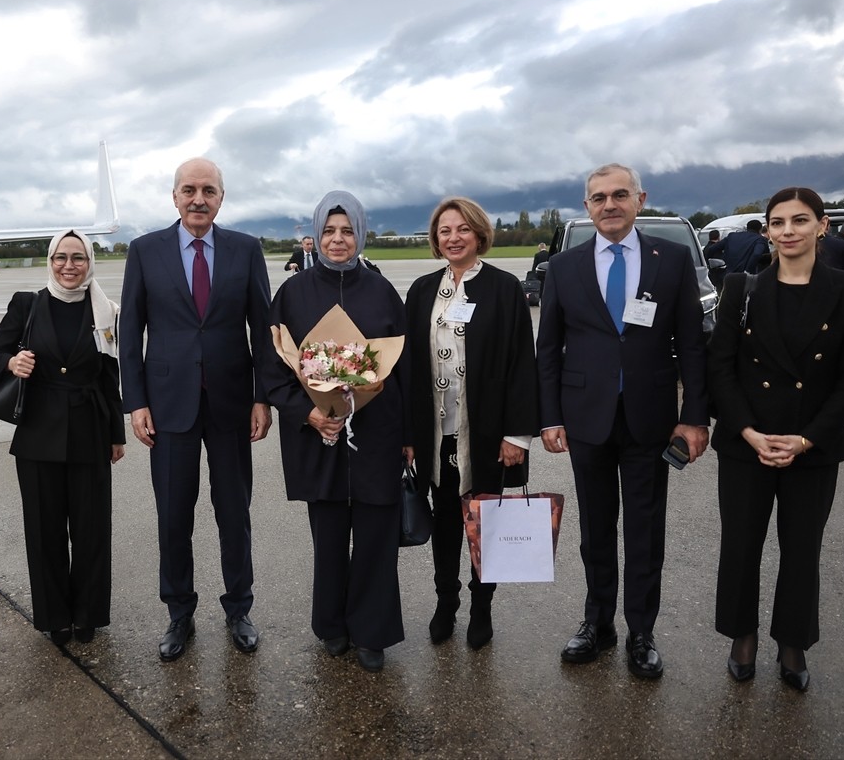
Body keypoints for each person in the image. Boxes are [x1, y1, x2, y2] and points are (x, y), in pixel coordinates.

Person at [537, 163, 709, 679]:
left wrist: (694, 416)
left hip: (650, 418)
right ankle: (598, 622)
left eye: (619, 195)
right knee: (595, 528)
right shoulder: (564, 268)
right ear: (586, 207)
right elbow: (547, 350)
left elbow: (692, 347)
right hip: (585, 417)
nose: (608, 205)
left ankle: (641, 631)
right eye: (597, 198)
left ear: (640, 200)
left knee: (644, 528)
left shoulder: (672, 260)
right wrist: (549, 416)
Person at [708, 187, 844, 692]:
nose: (787, 231)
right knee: (741, 544)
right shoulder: (742, 288)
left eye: (800, 221)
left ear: (822, 225)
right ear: (768, 231)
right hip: (746, 443)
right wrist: (750, 433)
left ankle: (793, 640)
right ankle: (743, 635)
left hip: (812, 445)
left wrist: (805, 440)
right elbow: (721, 369)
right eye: (777, 223)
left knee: (802, 548)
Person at [119, 158, 273, 662]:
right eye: (189, 189)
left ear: (221, 198)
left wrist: (262, 396)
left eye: (208, 190)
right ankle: (179, 612)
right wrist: (136, 401)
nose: (198, 199)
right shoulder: (144, 251)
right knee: (173, 516)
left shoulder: (246, 250)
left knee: (234, 513)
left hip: (231, 403)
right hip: (168, 405)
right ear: (174, 196)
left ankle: (238, 609)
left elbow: (263, 329)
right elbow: (130, 332)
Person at [263, 190, 410, 672]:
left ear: (361, 234)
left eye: (347, 231)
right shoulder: (292, 293)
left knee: (375, 538)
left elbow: (402, 368)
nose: (338, 239)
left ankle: (372, 632)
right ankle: (332, 624)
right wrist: (308, 412)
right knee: (328, 538)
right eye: (329, 230)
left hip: (377, 434)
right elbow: (273, 368)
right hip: (318, 436)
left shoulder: (383, 291)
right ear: (316, 235)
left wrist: (406, 433)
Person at [405, 197, 538, 649]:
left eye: (462, 229)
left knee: (486, 526)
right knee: (444, 525)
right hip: (436, 435)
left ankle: (483, 607)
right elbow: (408, 371)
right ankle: (447, 604)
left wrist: (517, 435)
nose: (453, 238)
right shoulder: (422, 291)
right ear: (435, 239)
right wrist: (409, 436)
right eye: (445, 231)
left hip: (486, 435)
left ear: (479, 233)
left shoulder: (504, 288)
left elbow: (523, 364)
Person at [0, 230, 125, 652]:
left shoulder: (104, 311)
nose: (69, 266)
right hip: (38, 434)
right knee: (44, 530)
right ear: (50, 261)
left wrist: (116, 435)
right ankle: (55, 616)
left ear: (90, 262)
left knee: (91, 530)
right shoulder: (26, 304)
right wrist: (12, 360)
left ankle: (88, 614)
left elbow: (109, 375)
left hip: (90, 429)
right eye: (61, 258)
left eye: (78, 258)